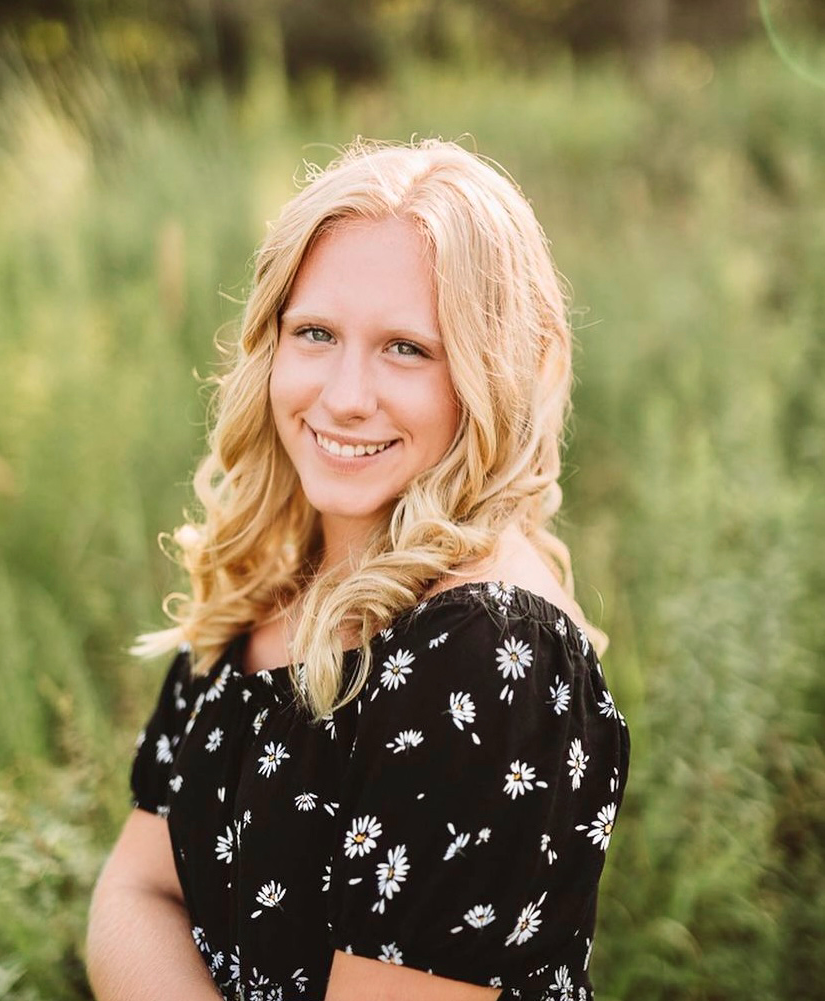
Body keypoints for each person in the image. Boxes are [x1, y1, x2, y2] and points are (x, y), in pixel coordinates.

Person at [86, 138, 630, 1001]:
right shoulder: (267, 575)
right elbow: (136, 890)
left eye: (407, 348)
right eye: (315, 333)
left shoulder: (488, 652)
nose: (343, 394)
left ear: (489, 374)